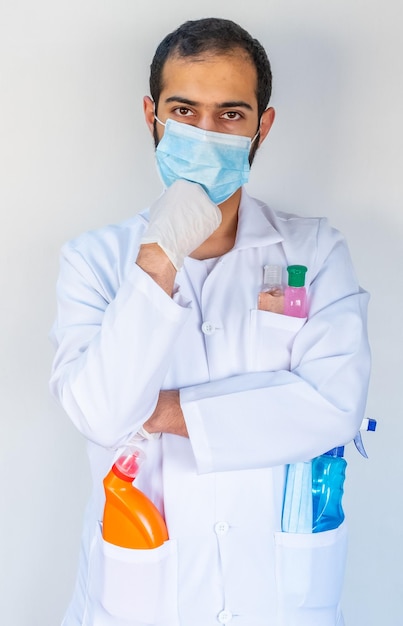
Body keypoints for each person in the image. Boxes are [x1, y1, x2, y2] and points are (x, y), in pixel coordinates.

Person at [49, 17, 371, 626]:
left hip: (278, 599)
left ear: (261, 126)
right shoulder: (94, 262)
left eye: (230, 114)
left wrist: (161, 409)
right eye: (184, 110)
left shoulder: (313, 255)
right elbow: (99, 414)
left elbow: (334, 406)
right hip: (141, 597)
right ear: (152, 117)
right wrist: (156, 261)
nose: (205, 133)